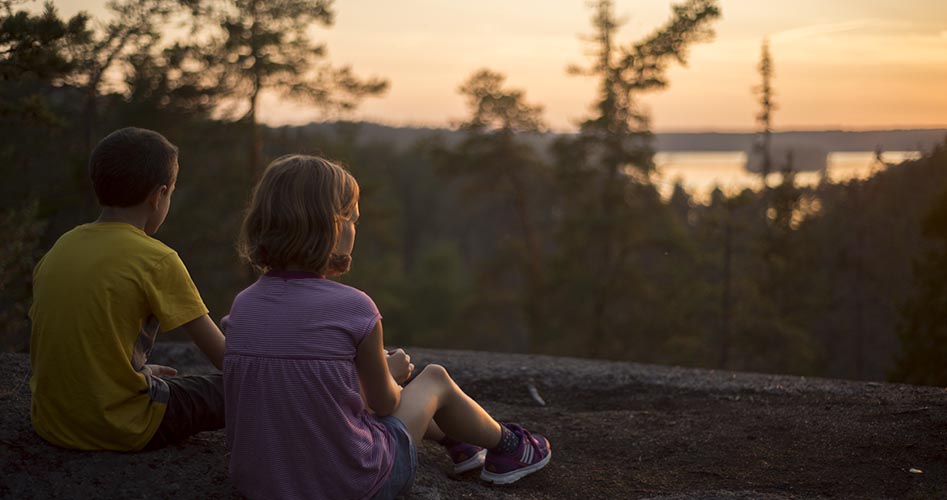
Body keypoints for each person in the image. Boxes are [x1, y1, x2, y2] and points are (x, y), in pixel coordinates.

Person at [223, 155, 551, 500]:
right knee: (434, 379)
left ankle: (461, 441)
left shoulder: (244, 305)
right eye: (353, 220)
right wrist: (392, 373)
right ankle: (513, 446)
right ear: (332, 226)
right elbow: (383, 403)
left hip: (259, 484)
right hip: (355, 486)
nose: (354, 229)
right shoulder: (354, 307)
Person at [29, 127, 227, 451]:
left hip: (52, 422)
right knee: (242, 388)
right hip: (121, 426)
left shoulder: (61, 248)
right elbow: (226, 360)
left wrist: (135, 371)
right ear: (158, 195)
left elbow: (73, 339)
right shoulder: (157, 259)